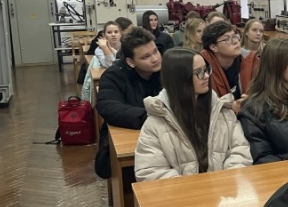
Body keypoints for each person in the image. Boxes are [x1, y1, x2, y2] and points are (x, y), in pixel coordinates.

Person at [134, 48, 251, 181]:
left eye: (206, 69)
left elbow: (240, 151)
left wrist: (226, 180)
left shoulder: (222, 110)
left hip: (223, 189)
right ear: (180, 78)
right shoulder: (156, 122)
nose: (206, 76)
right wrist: (192, 188)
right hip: (183, 192)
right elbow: (151, 172)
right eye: (198, 72)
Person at [94, 27, 163, 178]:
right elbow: (107, 105)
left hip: (163, 136)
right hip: (132, 136)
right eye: (146, 57)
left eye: (155, 51)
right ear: (130, 62)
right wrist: (146, 116)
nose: (155, 59)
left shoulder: (165, 70)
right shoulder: (114, 75)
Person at [200, 21, 259, 113]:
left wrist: (252, 100)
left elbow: (263, 92)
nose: (235, 41)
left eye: (235, 36)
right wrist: (231, 106)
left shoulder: (252, 60)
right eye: (227, 39)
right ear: (213, 47)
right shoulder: (202, 69)